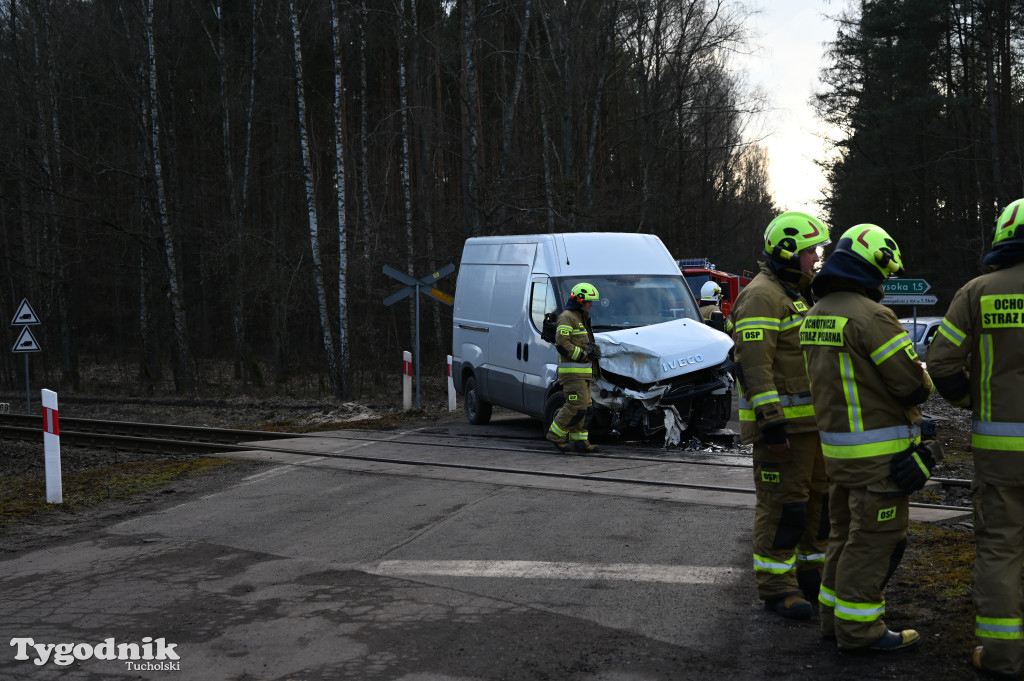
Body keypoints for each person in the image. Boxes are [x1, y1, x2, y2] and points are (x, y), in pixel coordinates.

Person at [800, 224, 938, 652]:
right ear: (874, 264)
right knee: (873, 540)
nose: (884, 283)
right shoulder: (872, 316)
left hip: (839, 453)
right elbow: (911, 385)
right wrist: (926, 377)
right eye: (884, 274)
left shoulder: (817, 312)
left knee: (841, 535)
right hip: (880, 459)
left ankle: (832, 620)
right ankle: (861, 630)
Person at [925, 199, 1024, 678]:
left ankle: (1003, 655)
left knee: (1002, 546)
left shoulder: (978, 291)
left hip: (1001, 453)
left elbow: (941, 362)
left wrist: (972, 403)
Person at [730, 211, 831, 619]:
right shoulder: (762, 296)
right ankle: (777, 588)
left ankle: (810, 577)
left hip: (812, 428)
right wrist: (771, 422)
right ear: (788, 251)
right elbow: (754, 366)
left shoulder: (797, 293)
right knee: (783, 508)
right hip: (784, 430)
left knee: (815, 508)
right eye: (811, 251)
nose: (816, 258)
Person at [546, 282, 602, 454]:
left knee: (586, 407)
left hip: (584, 373)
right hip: (572, 373)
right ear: (579, 300)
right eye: (588, 301)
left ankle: (579, 442)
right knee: (575, 405)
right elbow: (562, 344)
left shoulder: (582, 317)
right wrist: (584, 355)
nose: (591, 304)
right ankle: (555, 435)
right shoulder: (567, 317)